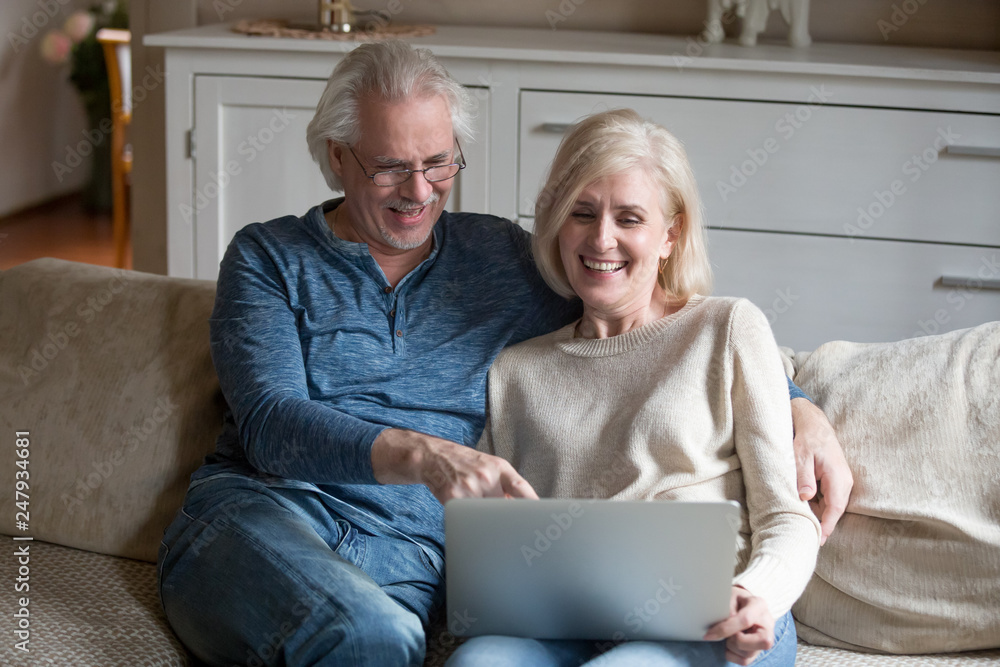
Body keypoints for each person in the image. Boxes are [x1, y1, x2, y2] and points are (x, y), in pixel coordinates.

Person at [157, 41, 850, 666]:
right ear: (337, 157)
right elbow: (272, 423)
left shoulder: (503, 260)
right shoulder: (269, 257)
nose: (419, 191)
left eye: (438, 162)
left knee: (384, 637)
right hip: (264, 517)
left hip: (406, 557)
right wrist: (425, 456)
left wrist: (798, 406)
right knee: (369, 636)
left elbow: (639, 328)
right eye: (392, 167)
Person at [447, 109, 820, 667]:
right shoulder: (515, 370)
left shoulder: (727, 329)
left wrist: (758, 596)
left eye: (629, 219)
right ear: (556, 224)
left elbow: (787, 517)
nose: (602, 239)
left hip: (709, 619)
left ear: (670, 236)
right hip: (563, 620)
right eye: (583, 213)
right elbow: (490, 538)